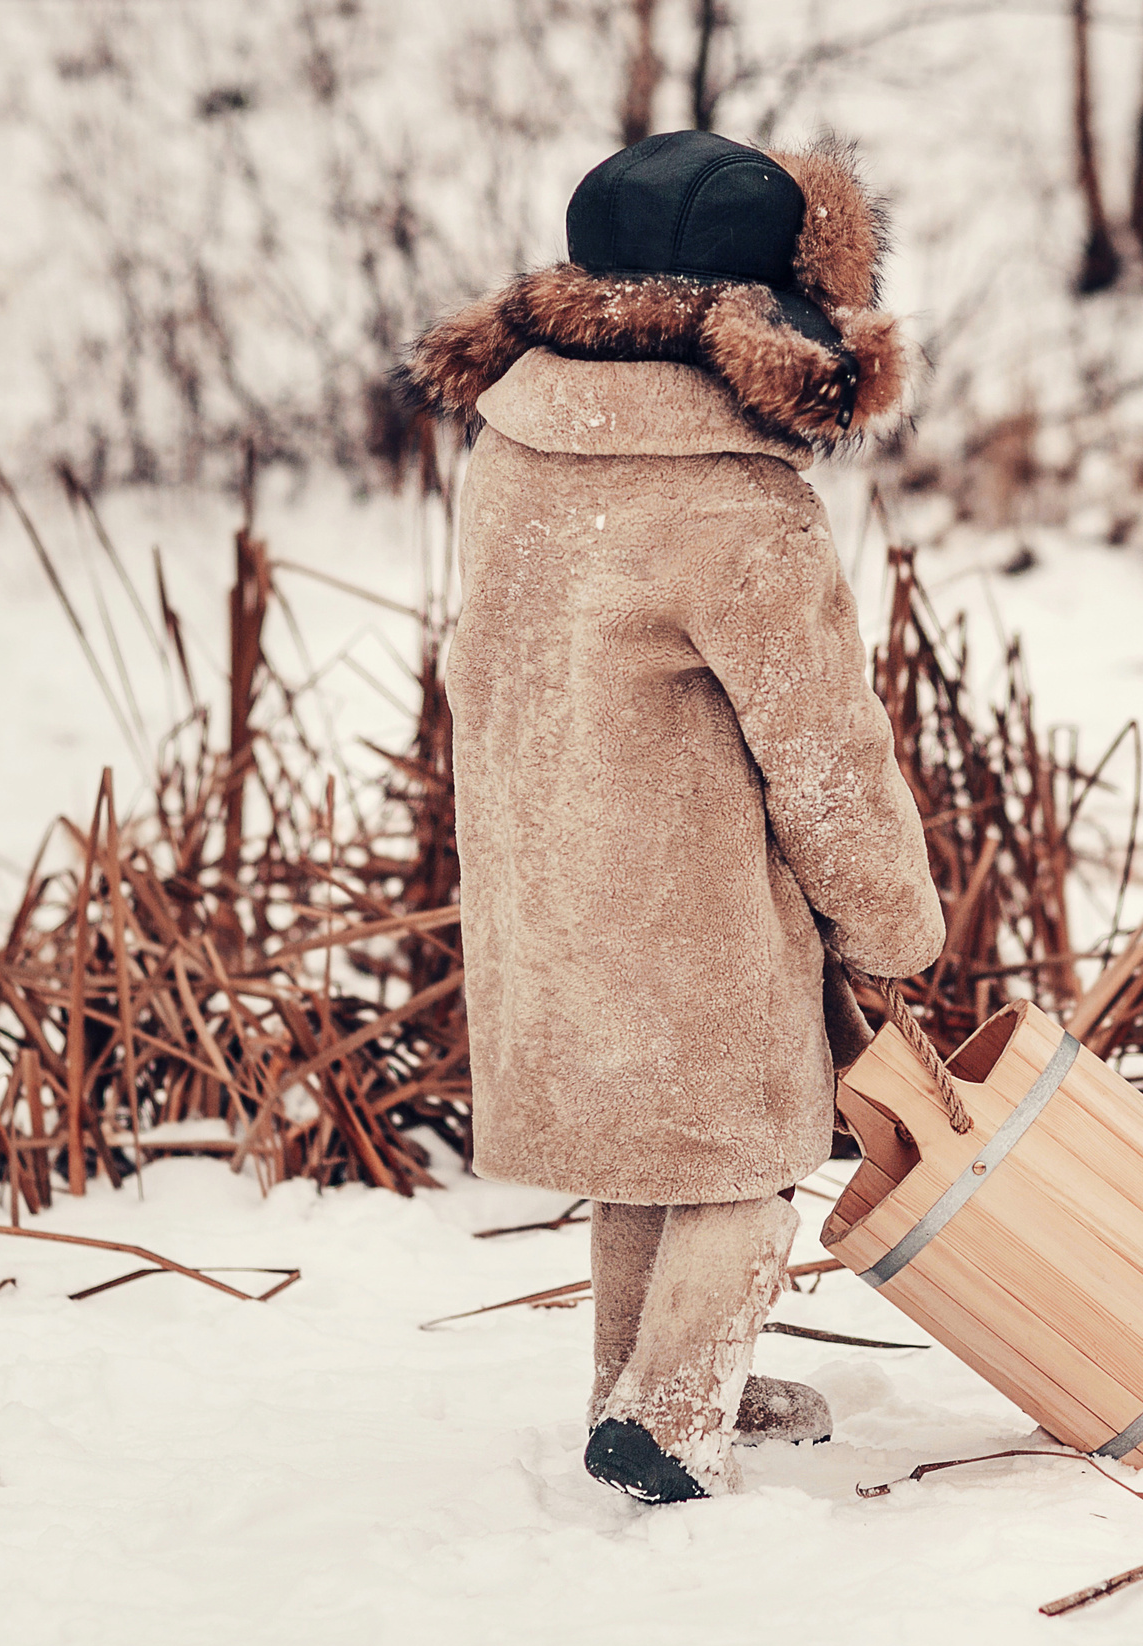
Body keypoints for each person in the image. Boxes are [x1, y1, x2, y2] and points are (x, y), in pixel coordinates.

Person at [399, 131, 943, 1504]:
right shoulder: (736, 503)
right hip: (694, 892)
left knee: (649, 1150)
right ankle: (677, 1416)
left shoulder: (512, 444)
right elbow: (824, 748)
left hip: (550, 865)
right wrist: (890, 917)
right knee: (744, 1163)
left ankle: (630, 1389)